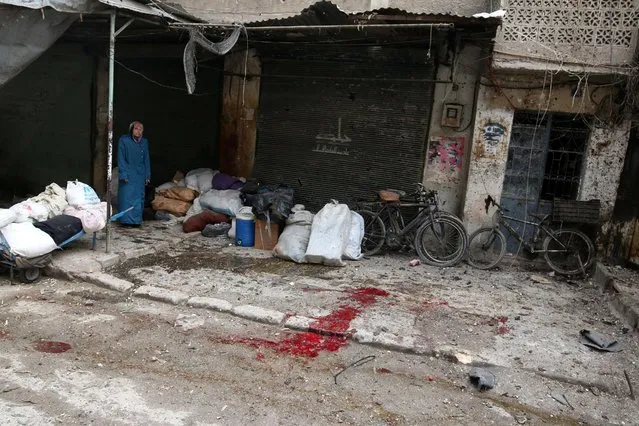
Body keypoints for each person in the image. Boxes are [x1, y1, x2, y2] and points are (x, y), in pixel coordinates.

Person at [117, 121, 151, 227]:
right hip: (128, 173)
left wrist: (147, 175)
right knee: (127, 198)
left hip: (140, 175)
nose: (138, 131)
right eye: (136, 128)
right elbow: (121, 158)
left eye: (141, 129)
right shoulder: (124, 140)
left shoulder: (144, 142)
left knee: (139, 198)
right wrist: (123, 174)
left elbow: (146, 159)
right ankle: (126, 221)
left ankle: (136, 221)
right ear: (131, 130)